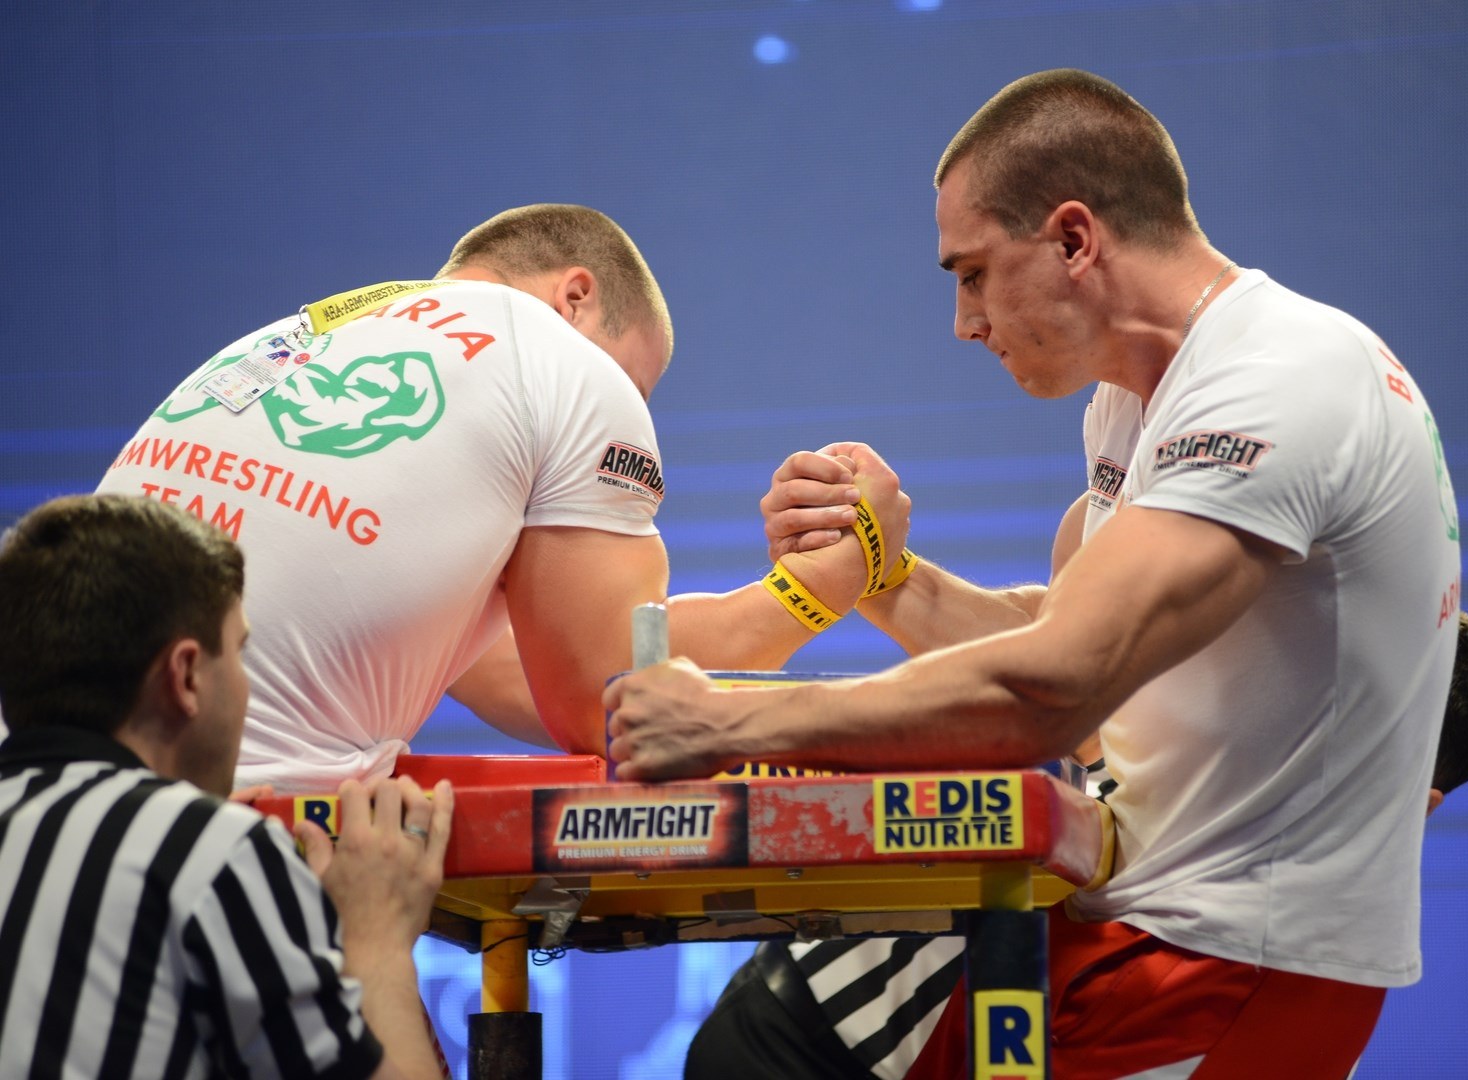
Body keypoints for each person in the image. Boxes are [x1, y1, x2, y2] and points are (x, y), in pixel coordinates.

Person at [607, 68, 1463, 1077]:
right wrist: (882, 575)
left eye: (970, 273)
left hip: (1222, 966)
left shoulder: (1277, 381)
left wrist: (722, 725)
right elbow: (1086, 659)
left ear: (1072, 239)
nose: (965, 322)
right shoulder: (1142, 400)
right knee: (765, 1033)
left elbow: (1056, 686)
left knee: (779, 1036)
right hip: (1131, 935)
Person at [81, 204, 901, 791]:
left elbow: (524, 678)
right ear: (575, 295)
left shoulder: (303, 335)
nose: (632, 411)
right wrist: (833, 580)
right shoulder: (564, 366)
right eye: (635, 385)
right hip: (221, 823)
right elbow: (604, 702)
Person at [684, 611, 1468, 1079]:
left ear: (1418, 806)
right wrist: (886, 580)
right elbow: (1065, 667)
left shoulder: (1302, 1003)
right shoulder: (1244, 733)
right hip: (789, 1037)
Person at [0, 493, 453, 1079]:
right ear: (186, 675)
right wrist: (375, 942)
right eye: (238, 652)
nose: (243, 686)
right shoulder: (212, 852)